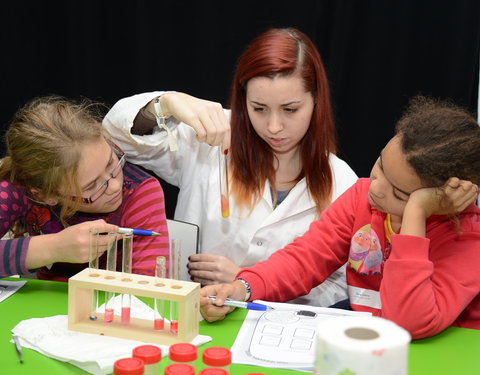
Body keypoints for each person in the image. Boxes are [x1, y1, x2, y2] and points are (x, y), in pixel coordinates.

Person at [103, 27, 358, 306]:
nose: (274, 126)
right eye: (259, 108)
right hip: (193, 320)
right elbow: (115, 136)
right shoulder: (211, 136)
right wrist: (168, 103)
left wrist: (247, 282)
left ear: (317, 101)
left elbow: (344, 288)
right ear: (243, 99)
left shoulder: (343, 183)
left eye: (290, 109)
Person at [199, 96, 480, 340]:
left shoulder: (467, 236)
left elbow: (408, 323)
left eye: (400, 193)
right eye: (381, 164)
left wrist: (415, 215)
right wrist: (244, 288)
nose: (376, 186)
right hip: (367, 328)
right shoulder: (362, 196)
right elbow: (305, 258)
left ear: (441, 202)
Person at [0, 96, 169, 281]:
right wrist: (53, 247)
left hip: (115, 305)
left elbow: (149, 289)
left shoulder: (140, 192)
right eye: (91, 186)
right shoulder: (18, 186)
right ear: (46, 195)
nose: (114, 186)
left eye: (111, 162)